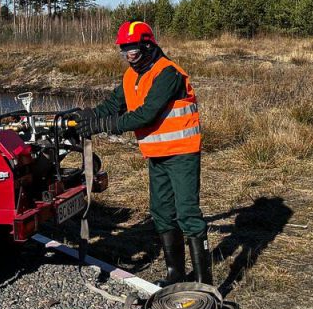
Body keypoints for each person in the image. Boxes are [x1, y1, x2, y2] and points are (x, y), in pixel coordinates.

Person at [74, 21, 211, 286]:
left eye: (133, 50)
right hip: (156, 154)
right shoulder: (131, 76)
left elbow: (146, 114)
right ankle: (176, 276)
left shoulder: (167, 73)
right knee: (161, 212)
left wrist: (104, 126)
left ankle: (205, 285)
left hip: (182, 154)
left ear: (148, 46)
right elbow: (114, 103)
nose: (128, 56)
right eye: (124, 50)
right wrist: (91, 115)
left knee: (187, 215)